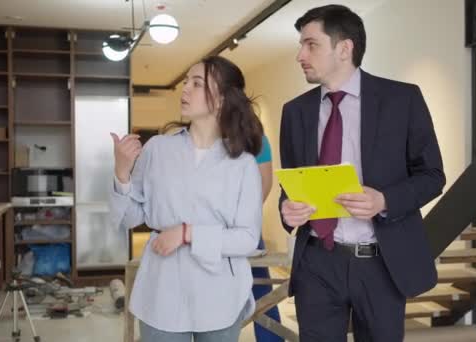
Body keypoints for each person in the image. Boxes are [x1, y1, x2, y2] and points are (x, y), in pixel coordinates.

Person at [278, 5, 446, 342]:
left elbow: (432, 175)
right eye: (301, 45)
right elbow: (291, 187)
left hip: (382, 264)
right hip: (316, 263)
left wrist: (384, 199)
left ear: (344, 48)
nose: (300, 55)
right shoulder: (295, 112)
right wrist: (287, 210)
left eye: (311, 45)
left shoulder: (402, 99)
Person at [109, 55, 264, 342]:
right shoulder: (158, 148)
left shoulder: (243, 164)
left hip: (220, 293)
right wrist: (121, 173)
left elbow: (246, 238)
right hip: (162, 291)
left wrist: (186, 233)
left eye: (197, 83)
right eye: (186, 82)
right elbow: (130, 218)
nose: (185, 90)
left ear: (222, 99)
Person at [252, 135, 284, 342]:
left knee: (261, 295)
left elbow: (265, 185)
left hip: (246, 230)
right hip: (203, 231)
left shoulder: (257, 139)